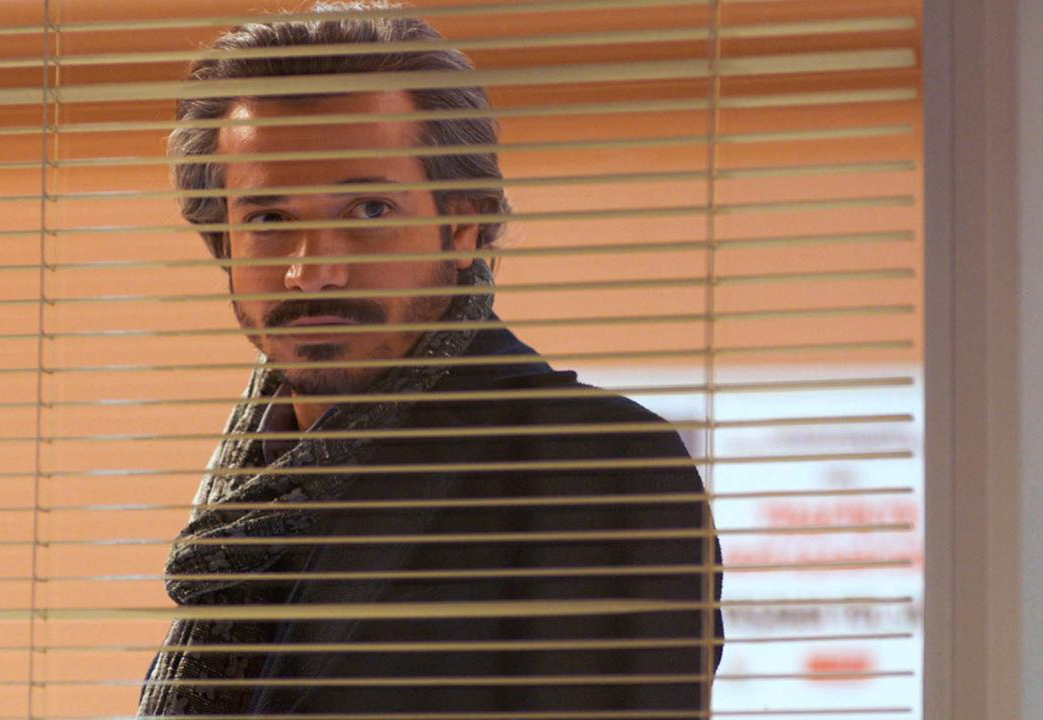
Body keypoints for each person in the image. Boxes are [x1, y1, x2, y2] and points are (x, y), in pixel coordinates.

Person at [137, 1, 723, 715]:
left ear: (464, 224)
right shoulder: (239, 504)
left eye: (369, 210)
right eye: (269, 218)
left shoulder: (593, 468)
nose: (312, 272)